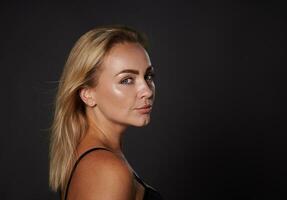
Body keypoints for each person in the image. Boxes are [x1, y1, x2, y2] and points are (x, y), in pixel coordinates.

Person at [49, 25, 163, 200]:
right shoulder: (107, 171)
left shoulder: (89, 158)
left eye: (148, 76)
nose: (147, 91)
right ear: (88, 94)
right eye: (127, 80)